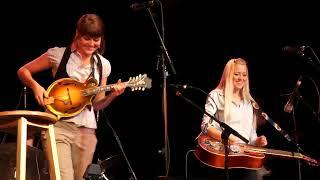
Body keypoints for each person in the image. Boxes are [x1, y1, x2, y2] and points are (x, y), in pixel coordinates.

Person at [17, 13, 126, 180]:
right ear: (78, 35)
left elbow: (97, 104)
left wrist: (112, 95)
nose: (92, 44)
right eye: (87, 38)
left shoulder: (103, 64)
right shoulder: (58, 55)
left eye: (96, 40)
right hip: (58, 127)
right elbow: (23, 71)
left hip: (87, 133)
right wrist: (36, 87)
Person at [200, 58, 268, 180]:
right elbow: (205, 125)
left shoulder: (249, 102)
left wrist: (257, 141)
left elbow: (250, 135)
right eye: (236, 74)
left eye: (244, 75)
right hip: (222, 157)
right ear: (228, 75)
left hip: (244, 158)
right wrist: (227, 137)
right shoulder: (216, 95)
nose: (241, 78)